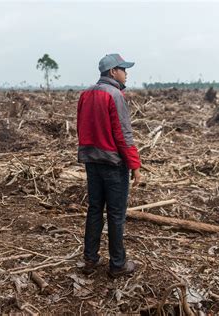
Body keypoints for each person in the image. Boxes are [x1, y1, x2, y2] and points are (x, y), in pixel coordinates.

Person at [77, 53, 141, 278]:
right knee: (115, 214)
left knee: (95, 209)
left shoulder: (86, 94)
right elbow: (123, 134)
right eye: (123, 69)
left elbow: (81, 128)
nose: (126, 73)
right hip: (113, 165)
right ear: (113, 71)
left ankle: (90, 260)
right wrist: (134, 164)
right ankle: (117, 265)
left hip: (91, 162)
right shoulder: (114, 95)